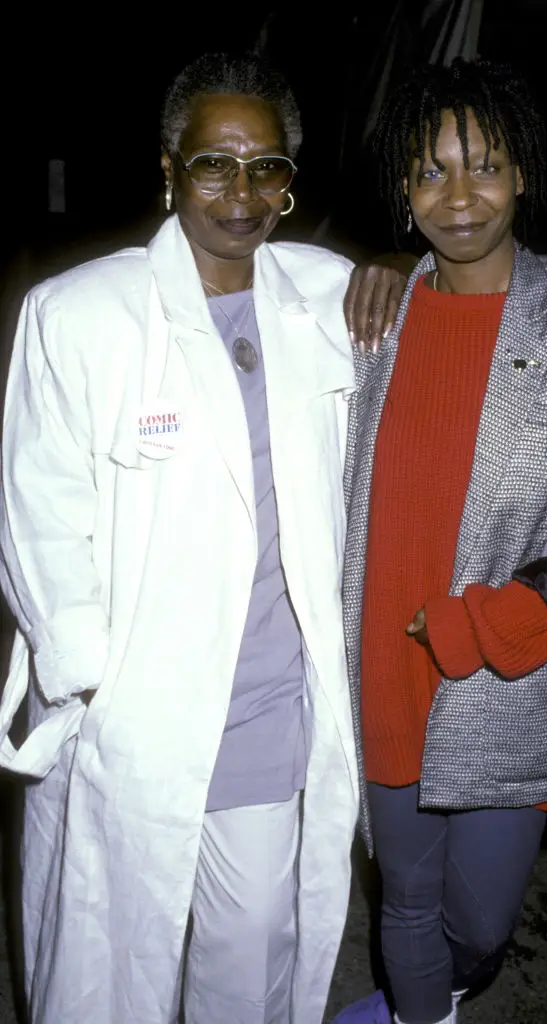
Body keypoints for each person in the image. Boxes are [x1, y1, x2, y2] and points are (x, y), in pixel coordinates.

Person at [0, 52, 403, 1024]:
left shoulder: (329, 296)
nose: (242, 192)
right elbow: (38, 511)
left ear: (290, 180)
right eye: (214, 164)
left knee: (250, 964)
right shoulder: (81, 314)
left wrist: (404, 273)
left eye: (267, 166)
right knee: (110, 960)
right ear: (169, 168)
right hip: (135, 711)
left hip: (269, 712)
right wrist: (91, 676)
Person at [336, 58, 547, 1024]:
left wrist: (499, 624)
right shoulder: (369, 321)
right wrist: (379, 272)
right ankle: (417, 1013)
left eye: (482, 165)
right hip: (383, 665)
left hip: (502, 672)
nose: (459, 194)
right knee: (402, 896)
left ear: (522, 171)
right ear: (403, 194)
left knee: (479, 928)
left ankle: (428, 994)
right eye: (429, 171)